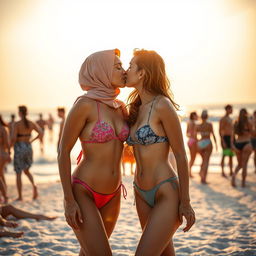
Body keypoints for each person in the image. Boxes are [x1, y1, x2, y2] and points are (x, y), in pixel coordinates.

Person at [58, 49, 129, 255]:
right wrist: (69, 201)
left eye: (122, 65)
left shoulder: (121, 107)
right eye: (117, 66)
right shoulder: (84, 105)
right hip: (84, 192)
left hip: (113, 193)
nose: (123, 70)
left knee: (89, 252)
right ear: (102, 71)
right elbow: (63, 152)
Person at [126, 49, 195, 256]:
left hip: (165, 192)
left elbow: (181, 156)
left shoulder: (163, 105)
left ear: (142, 73)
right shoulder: (136, 108)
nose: (126, 70)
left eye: (131, 66)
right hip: (140, 192)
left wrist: (186, 202)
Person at [11, 106, 43, 200]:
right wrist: (32, 140)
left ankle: (20, 196)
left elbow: (13, 138)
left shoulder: (16, 124)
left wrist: (9, 148)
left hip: (19, 147)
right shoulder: (31, 123)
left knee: (18, 173)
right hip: (28, 147)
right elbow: (41, 133)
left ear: (20, 113)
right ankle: (34, 186)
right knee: (26, 170)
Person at [232, 108, 252, 187]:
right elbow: (253, 132)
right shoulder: (248, 122)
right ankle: (243, 183)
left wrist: (232, 145)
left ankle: (233, 177)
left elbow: (232, 136)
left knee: (239, 164)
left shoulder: (236, 123)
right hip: (246, 143)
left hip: (237, 144)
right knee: (244, 164)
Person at [196, 110, 217, 184]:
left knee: (203, 160)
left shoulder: (198, 125)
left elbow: (196, 136)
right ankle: (203, 179)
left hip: (200, 143)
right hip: (207, 142)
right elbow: (213, 134)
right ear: (207, 116)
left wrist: (197, 143)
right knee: (206, 161)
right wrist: (216, 144)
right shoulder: (209, 124)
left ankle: (201, 172)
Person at [219, 104, 234, 177]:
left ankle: (231, 171)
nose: (232, 110)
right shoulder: (223, 119)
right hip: (225, 138)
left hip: (231, 138)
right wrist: (222, 141)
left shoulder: (230, 118)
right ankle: (222, 171)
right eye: (231, 109)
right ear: (227, 109)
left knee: (231, 155)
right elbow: (220, 130)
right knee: (224, 155)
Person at [0, 115, 11, 203]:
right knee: (1, 174)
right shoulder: (4, 128)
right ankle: (5, 193)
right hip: (4, 154)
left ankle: (5, 195)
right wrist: (9, 154)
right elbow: (8, 143)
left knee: (0, 175)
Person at [186, 111, 198, 177]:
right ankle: (189, 172)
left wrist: (191, 137)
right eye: (196, 115)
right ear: (193, 116)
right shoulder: (193, 123)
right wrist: (196, 139)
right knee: (193, 158)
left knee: (192, 157)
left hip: (189, 141)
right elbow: (195, 134)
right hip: (193, 141)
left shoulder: (188, 123)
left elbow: (187, 133)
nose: (197, 116)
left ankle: (189, 171)